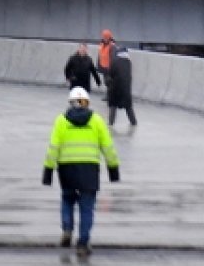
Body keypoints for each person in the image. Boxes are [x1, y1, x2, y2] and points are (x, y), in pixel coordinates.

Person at [43, 86, 120, 258]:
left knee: (67, 199)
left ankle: (67, 230)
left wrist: (48, 170)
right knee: (86, 208)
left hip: (67, 170)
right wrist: (113, 169)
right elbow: (108, 147)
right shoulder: (97, 121)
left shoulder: (61, 121)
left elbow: (53, 148)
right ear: (87, 103)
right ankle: (83, 244)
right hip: (89, 171)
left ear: (70, 103)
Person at [106, 46, 137, 126]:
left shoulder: (114, 61)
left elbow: (110, 74)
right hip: (126, 89)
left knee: (113, 106)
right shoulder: (129, 62)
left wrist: (109, 85)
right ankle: (134, 123)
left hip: (115, 88)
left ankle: (110, 123)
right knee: (128, 107)